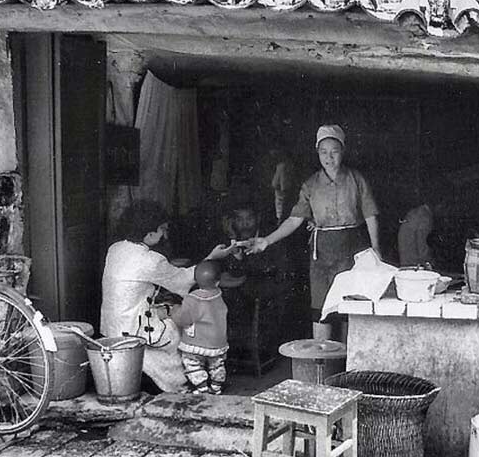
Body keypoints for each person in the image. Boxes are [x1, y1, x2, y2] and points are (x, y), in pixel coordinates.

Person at [245, 124, 380, 341]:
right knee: (321, 310)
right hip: (322, 255)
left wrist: (376, 248)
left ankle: (348, 361)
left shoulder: (356, 179)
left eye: (334, 151)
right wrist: (267, 241)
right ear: (317, 153)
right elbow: (294, 219)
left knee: (349, 308)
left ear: (343, 151)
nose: (329, 157)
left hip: (352, 251)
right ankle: (322, 360)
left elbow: (370, 214)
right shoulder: (311, 185)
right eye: (323, 152)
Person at [100, 200, 238, 392]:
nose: (165, 234)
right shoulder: (150, 260)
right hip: (134, 329)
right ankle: (185, 381)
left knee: (169, 308)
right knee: (181, 325)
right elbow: (182, 280)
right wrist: (212, 258)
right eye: (162, 230)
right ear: (149, 233)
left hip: (111, 326)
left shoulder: (115, 249)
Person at [171, 260, 229, 395]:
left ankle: (202, 388)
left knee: (192, 363)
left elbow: (184, 319)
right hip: (217, 342)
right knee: (217, 365)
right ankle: (216, 388)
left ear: (195, 281)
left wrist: (174, 311)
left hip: (197, 342)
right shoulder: (218, 294)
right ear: (217, 282)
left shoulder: (192, 299)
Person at [398, 199, 434, 268]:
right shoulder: (425, 216)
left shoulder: (413, 214)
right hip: (416, 264)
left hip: (405, 261)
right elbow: (421, 242)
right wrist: (427, 261)